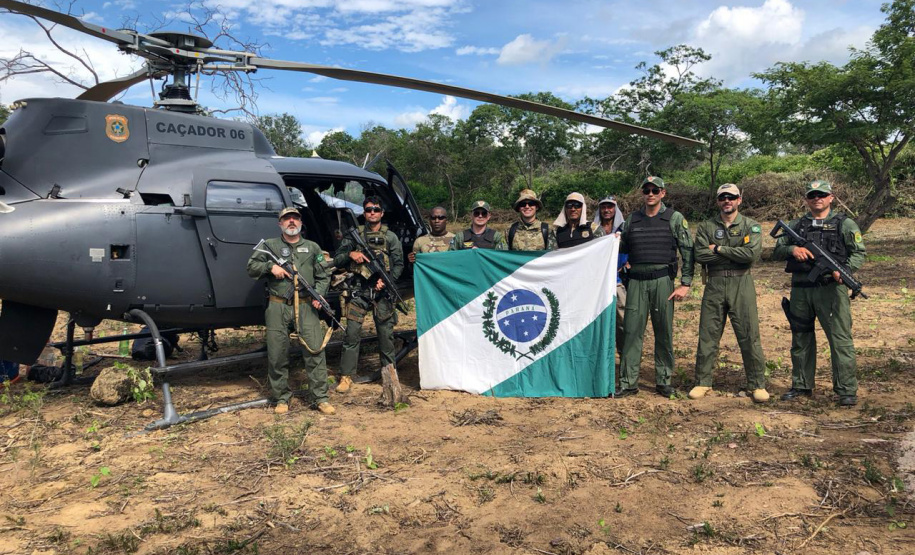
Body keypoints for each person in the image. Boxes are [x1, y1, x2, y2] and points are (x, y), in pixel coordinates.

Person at [772, 180, 865, 406]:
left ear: (831, 197)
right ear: (807, 199)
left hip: (831, 291)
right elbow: (777, 249)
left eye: (821, 194)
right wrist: (793, 249)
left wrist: (845, 272)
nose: (817, 199)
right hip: (801, 291)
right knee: (801, 337)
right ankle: (802, 385)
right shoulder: (797, 225)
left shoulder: (844, 224)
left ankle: (846, 390)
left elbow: (858, 253)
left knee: (840, 340)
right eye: (812, 195)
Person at [246, 207, 334, 415]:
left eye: (295, 218)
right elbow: (251, 268)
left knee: (315, 351)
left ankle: (320, 397)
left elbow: (323, 276)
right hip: (278, 306)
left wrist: (319, 295)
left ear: (301, 223)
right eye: (287, 219)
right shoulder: (269, 246)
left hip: (306, 305)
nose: (291, 222)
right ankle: (281, 398)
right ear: (280, 224)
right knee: (277, 354)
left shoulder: (312, 247)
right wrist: (269, 267)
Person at [616, 176, 694, 398]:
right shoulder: (632, 220)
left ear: (663, 193)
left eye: (655, 190)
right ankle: (629, 382)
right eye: (646, 190)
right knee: (631, 332)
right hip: (637, 283)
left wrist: (685, 283)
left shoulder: (674, 218)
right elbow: (620, 246)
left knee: (663, 332)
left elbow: (687, 251)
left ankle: (664, 380)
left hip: (662, 282)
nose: (650, 194)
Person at [689, 184, 768, 402]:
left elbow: (751, 255)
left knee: (749, 334)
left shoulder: (750, 226)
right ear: (717, 201)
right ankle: (702, 381)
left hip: (741, 282)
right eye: (723, 197)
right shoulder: (706, 226)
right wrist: (733, 254)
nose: (727, 201)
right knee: (708, 334)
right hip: (714, 283)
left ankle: (757, 384)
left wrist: (719, 249)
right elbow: (701, 256)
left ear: (739, 200)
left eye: (731, 197)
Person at [333, 196, 405, 391]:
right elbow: (337, 258)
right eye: (368, 209)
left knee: (385, 335)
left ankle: (389, 374)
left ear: (381, 213)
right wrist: (350, 254)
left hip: (382, 293)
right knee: (352, 334)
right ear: (364, 213)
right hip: (359, 291)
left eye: (375, 209)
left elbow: (399, 264)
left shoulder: (390, 237)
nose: (372, 212)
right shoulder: (354, 235)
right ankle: (346, 376)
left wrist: (387, 280)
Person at [593, 196, 627, 355]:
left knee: (622, 320)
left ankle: (624, 355)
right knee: (599, 321)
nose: (607, 210)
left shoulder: (624, 228)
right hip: (597, 283)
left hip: (617, 281)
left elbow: (633, 247)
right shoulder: (592, 229)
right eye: (603, 207)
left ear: (615, 209)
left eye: (610, 207)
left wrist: (628, 263)